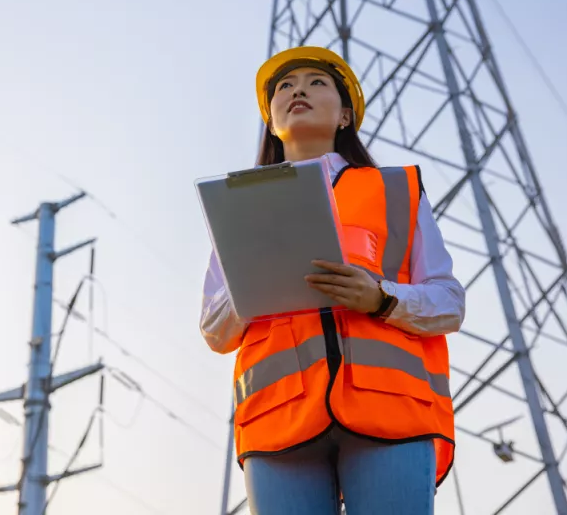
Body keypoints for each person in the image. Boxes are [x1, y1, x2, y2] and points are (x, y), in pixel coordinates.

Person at [199, 46, 465, 515]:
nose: (297, 89)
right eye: (285, 86)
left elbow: (448, 303)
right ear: (272, 120)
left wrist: (381, 299)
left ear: (345, 116)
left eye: (315, 82)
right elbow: (214, 331)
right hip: (277, 422)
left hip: (391, 414)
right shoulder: (240, 207)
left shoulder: (394, 191)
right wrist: (254, 278)